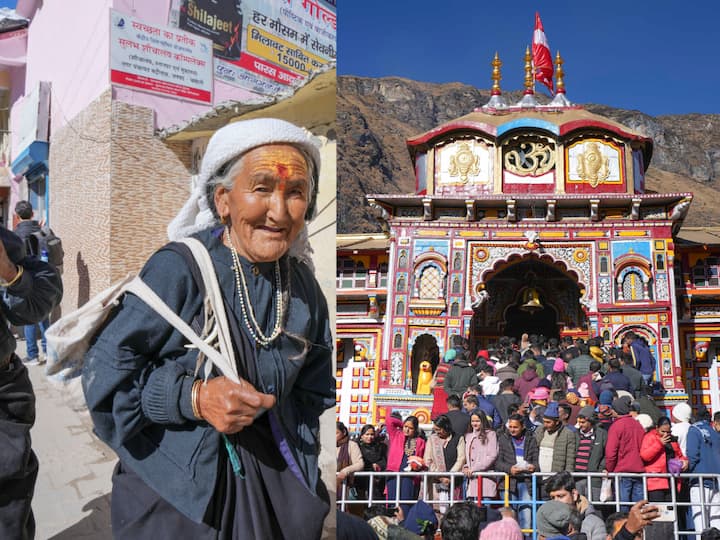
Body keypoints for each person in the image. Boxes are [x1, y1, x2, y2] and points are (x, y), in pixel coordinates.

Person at [82, 119, 335, 539]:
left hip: (276, 492)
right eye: (262, 187)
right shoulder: (178, 270)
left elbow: (314, 392)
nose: (279, 210)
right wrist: (194, 397)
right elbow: (106, 380)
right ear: (223, 200)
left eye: (295, 193)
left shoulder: (303, 287)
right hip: (180, 501)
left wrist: (300, 471)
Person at [0, 224, 62, 539]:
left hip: (3, 393)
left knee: (9, 511)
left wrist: (10, 273)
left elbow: (41, 299)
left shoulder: (8, 243)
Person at [13, 200, 52, 366]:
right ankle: (49, 352)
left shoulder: (14, 235)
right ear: (32, 214)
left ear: (17, 215)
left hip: (25, 280)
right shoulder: (43, 230)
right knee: (44, 315)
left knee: (30, 317)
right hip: (44, 277)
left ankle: (33, 355)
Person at [640, 415, 687, 540]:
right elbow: (645, 456)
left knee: (672, 514)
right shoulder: (649, 437)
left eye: (668, 432)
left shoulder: (673, 440)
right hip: (656, 482)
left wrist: (684, 462)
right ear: (657, 428)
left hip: (672, 482)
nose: (666, 434)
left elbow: (679, 455)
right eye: (663, 432)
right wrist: (659, 443)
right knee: (658, 514)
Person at [496, 413, 540, 534]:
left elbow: (536, 461)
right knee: (509, 517)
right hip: (508, 482)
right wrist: (510, 469)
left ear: (522, 427)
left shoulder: (531, 440)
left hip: (526, 482)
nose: (512, 430)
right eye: (510, 426)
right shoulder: (503, 439)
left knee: (526, 516)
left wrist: (533, 467)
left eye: (515, 427)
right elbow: (498, 463)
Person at [605, 397, 646, 511]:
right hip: (639, 470)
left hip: (622, 471)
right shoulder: (638, 425)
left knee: (623, 506)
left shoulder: (617, 426)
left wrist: (609, 468)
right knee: (639, 508)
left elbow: (610, 452)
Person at [686, 405, 720, 535]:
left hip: (700, 481)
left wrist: (685, 468)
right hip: (716, 481)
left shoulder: (694, 430)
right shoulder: (714, 432)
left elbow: (693, 456)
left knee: (700, 519)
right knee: (716, 519)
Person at [545, 471, 606, 540]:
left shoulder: (594, 524)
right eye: (553, 498)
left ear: (574, 495)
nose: (555, 502)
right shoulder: (547, 524)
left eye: (561, 496)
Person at [423, 414, 465, 514]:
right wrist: (440, 476)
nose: (437, 432)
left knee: (454, 511)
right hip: (436, 482)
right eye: (435, 429)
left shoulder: (459, 438)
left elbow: (461, 459)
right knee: (436, 510)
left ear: (446, 428)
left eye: (439, 430)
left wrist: (450, 476)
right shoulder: (432, 439)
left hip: (454, 482)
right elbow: (428, 460)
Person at [385, 413, 426, 516]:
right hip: (393, 473)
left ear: (416, 429)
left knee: (406, 501)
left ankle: (405, 524)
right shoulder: (396, 434)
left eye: (410, 428)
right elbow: (389, 420)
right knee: (392, 500)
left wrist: (417, 465)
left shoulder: (420, 442)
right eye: (405, 427)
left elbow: (423, 460)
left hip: (409, 476)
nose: (407, 430)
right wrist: (403, 423)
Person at [463, 408, 498, 502]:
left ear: (482, 421)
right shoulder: (468, 436)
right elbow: (468, 457)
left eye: (477, 421)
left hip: (486, 478)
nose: (475, 424)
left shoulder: (491, 434)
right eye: (473, 421)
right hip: (472, 479)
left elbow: (492, 455)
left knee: (486, 510)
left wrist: (474, 469)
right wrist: (466, 467)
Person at [574, 406, 608, 503]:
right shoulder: (574, 434)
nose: (580, 425)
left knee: (594, 506)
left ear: (591, 421)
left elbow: (606, 454)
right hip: (577, 478)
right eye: (579, 422)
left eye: (583, 422)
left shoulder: (602, 434)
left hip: (594, 478)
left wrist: (601, 468)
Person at [535, 402, 577, 477]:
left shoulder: (568, 434)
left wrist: (567, 477)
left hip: (556, 476)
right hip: (538, 475)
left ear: (557, 422)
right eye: (544, 421)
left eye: (548, 422)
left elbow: (570, 460)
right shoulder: (539, 430)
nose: (545, 424)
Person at [357, 424, 388, 501]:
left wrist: (378, 465)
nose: (369, 437)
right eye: (367, 434)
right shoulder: (357, 447)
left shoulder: (380, 447)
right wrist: (370, 465)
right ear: (362, 435)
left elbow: (384, 461)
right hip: (361, 480)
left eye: (372, 434)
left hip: (378, 481)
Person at [337, 421, 365, 501]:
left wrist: (346, 471)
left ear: (344, 432)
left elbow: (360, 464)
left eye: (336, 433)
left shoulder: (351, 445)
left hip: (346, 486)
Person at [430, 349, 455, 418]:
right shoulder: (452, 367)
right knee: (445, 408)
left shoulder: (440, 365)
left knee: (437, 407)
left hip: (437, 389)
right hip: (446, 390)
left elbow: (435, 377)